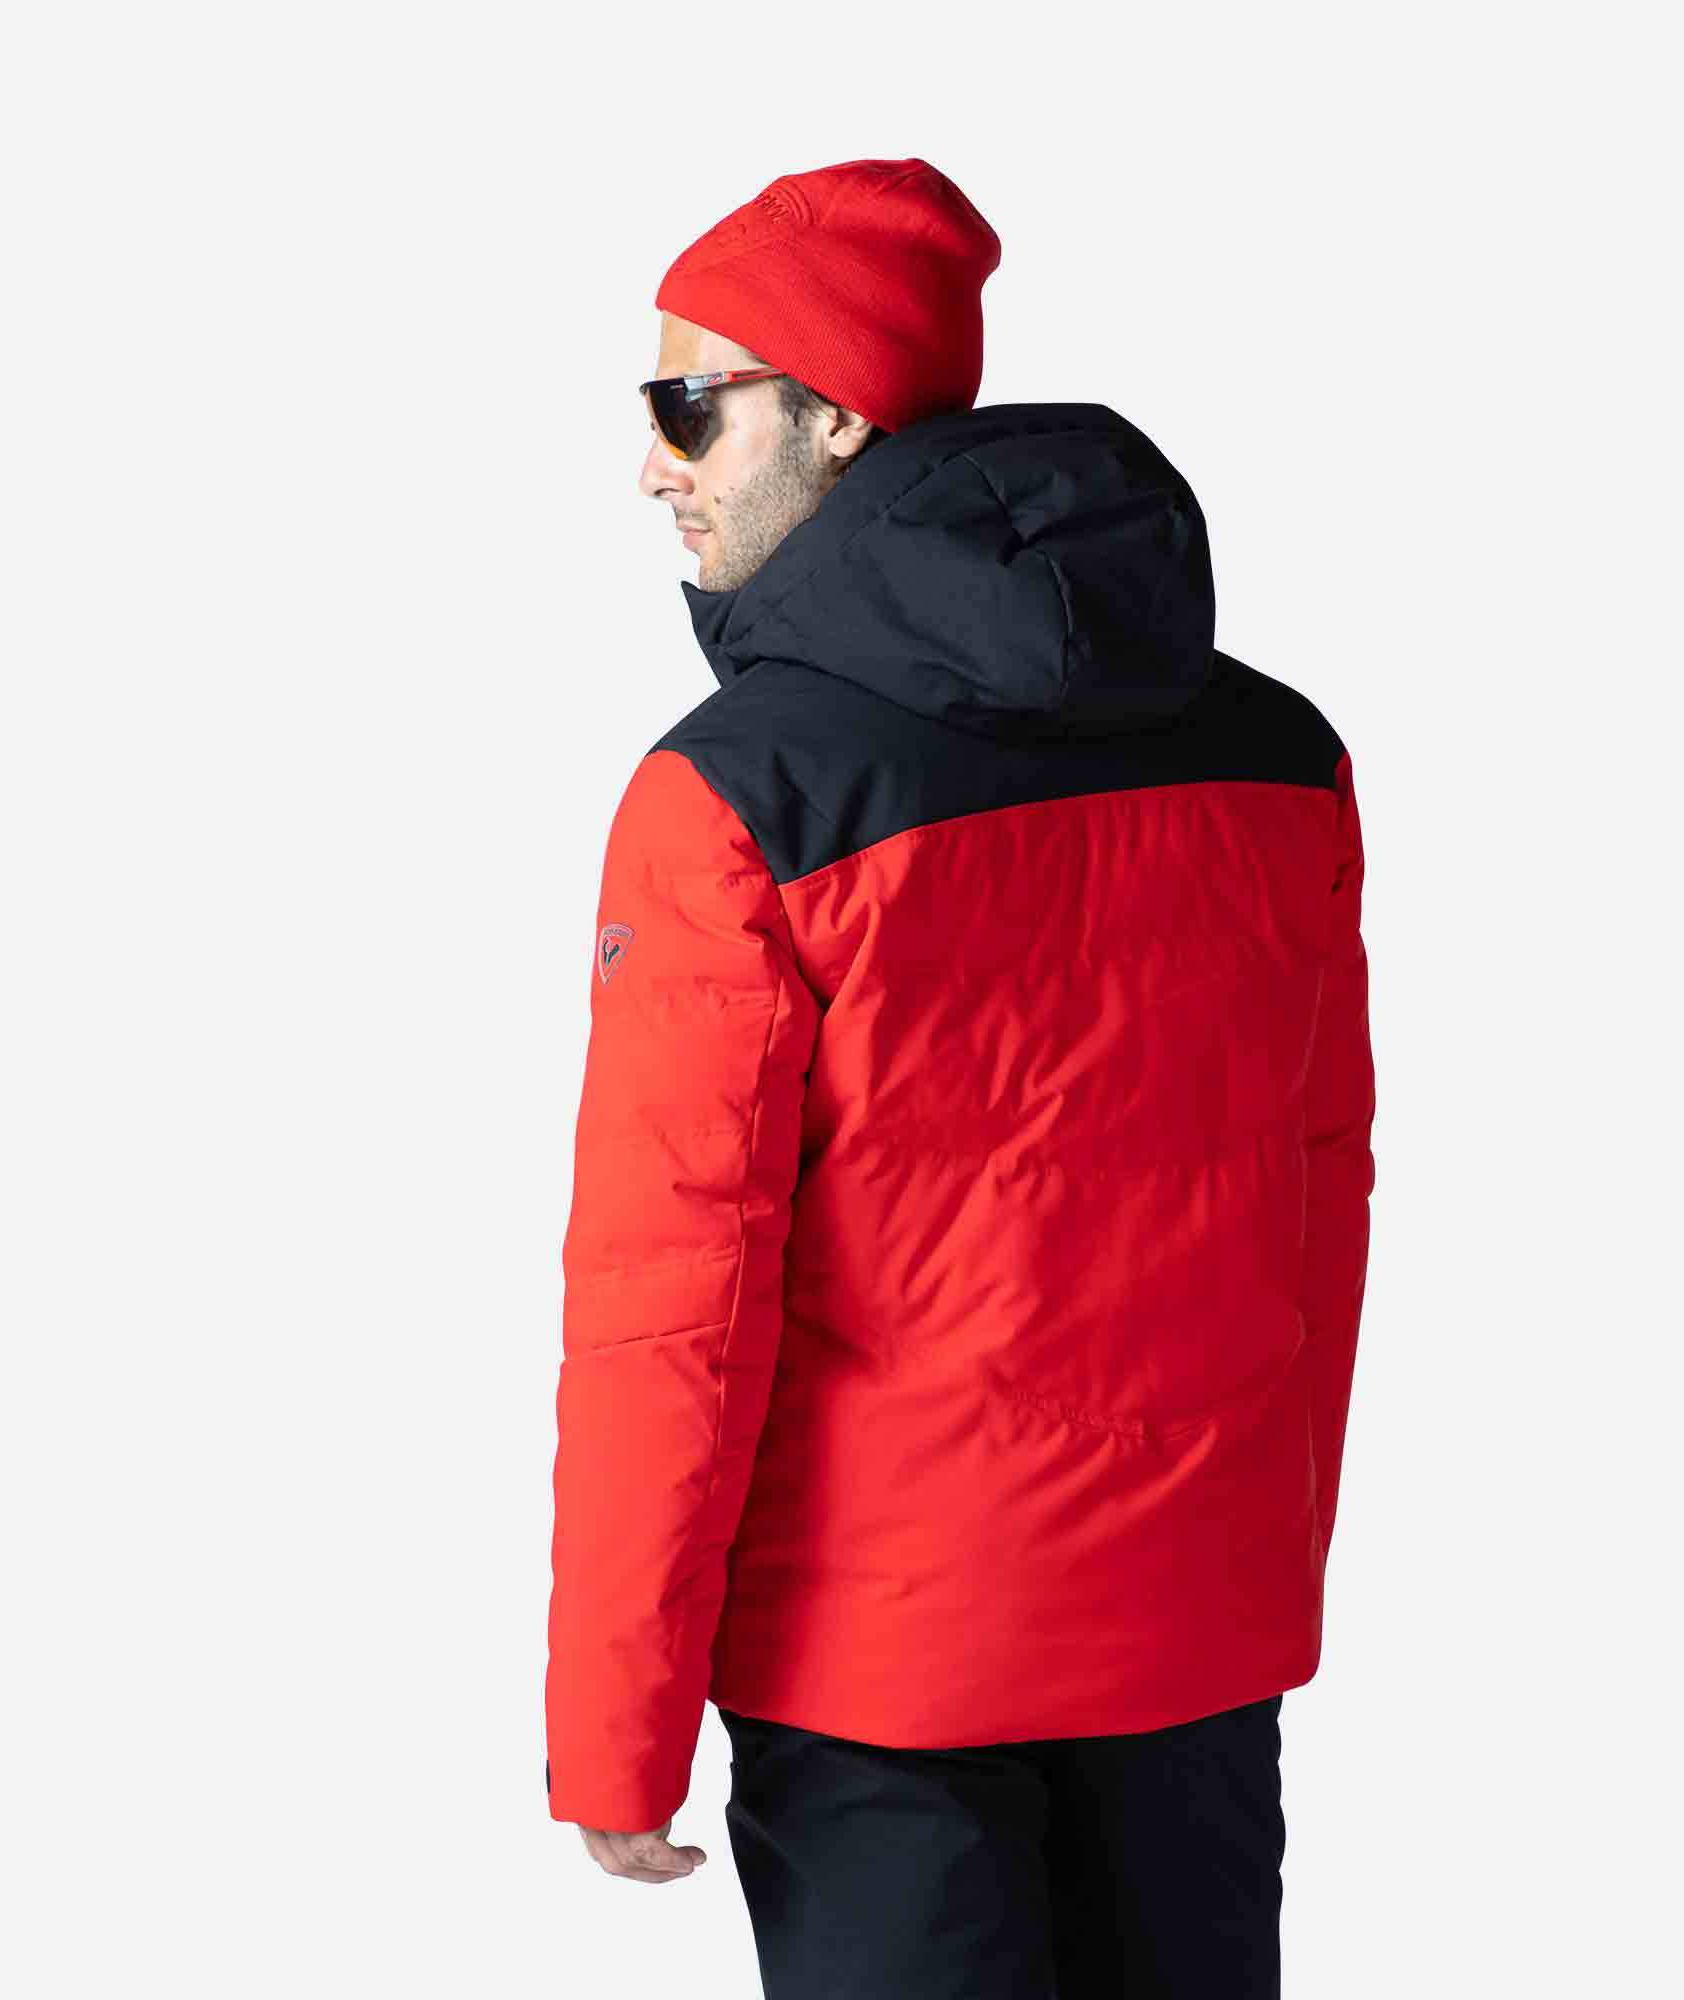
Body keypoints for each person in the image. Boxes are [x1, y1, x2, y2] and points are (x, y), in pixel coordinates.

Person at [544, 156, 1376, 1999]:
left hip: (882, 1685)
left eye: (690, 404)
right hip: (1192, 1647)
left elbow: (672, 1302)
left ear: (835, 415)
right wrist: (1259, 1576)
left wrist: (616, 1721)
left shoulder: (734, 796)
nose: (653, 464)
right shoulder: (1280, 754)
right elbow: (1321, 1200)